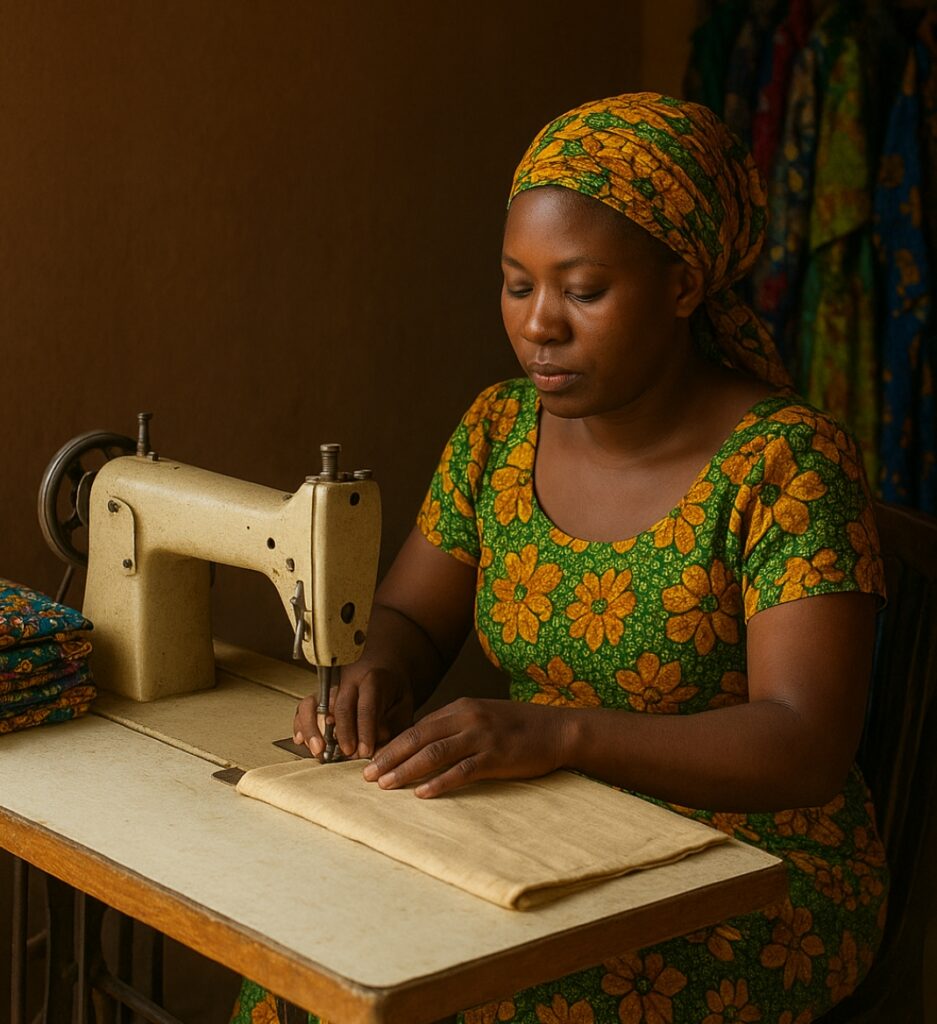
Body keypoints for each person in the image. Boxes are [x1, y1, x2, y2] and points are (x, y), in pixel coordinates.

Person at [231, 92, 888, 1024]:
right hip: (548, 825)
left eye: (582, 291)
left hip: (753, 874)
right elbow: (413, 615)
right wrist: (373, 670)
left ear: (683, 284)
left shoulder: (787, 464)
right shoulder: (499, 430)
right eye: (516, 284)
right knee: (309, 960)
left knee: (484, 1001)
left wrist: (555, 733)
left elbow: (802, 743)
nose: (540, 323)